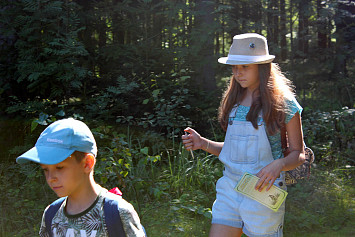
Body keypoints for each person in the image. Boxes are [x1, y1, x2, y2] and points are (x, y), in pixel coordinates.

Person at [182, 33, 305, 237]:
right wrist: (202, 143)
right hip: (229, 187)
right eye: (235, 67)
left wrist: (279, 164)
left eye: (245, 67)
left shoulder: (284, 104)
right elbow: (233, 150)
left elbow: (298, 154)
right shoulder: (234, 99)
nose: (238, 73)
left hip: (263, 190)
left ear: (262, 67)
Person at [16, 118, 146, 237]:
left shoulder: (117, 213)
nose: (50, 178)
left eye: (59, 168)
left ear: (87, 163)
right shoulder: (51, 215)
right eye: (45, 169)